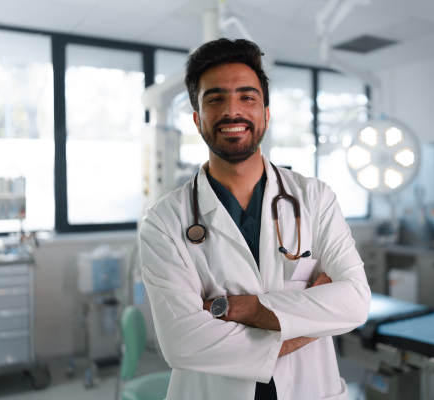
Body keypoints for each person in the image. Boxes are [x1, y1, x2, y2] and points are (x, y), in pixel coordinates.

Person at [139, 38, 371, 400]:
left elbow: (355, 301)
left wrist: (242, 308)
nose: (233, 111)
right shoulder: (164, 220)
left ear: (266, 113)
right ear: (198, 118)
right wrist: (314, 319)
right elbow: (183, 343)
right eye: (215, 99)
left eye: (247, 97)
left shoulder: (315, 198)